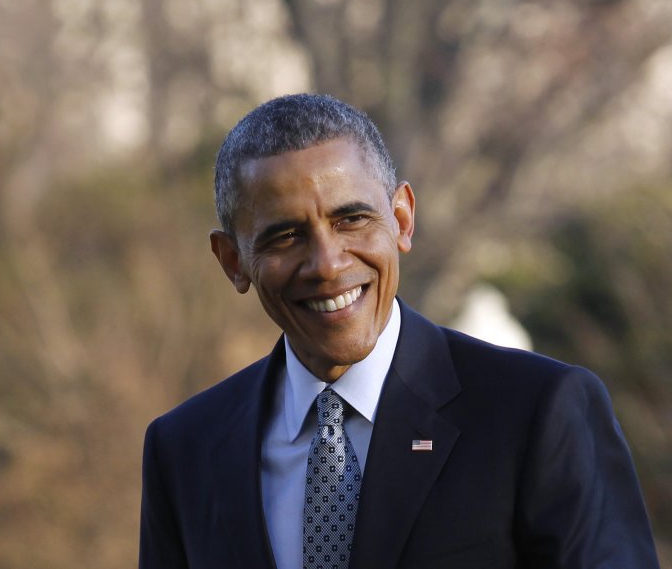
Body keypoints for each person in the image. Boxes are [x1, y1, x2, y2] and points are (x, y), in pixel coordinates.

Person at [138, 94, 660, 569]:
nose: (327, 264)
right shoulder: (185, 450)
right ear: (233, 261)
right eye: (286, 236)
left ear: (402, 219)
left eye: (351, 220)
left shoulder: (537, 412)